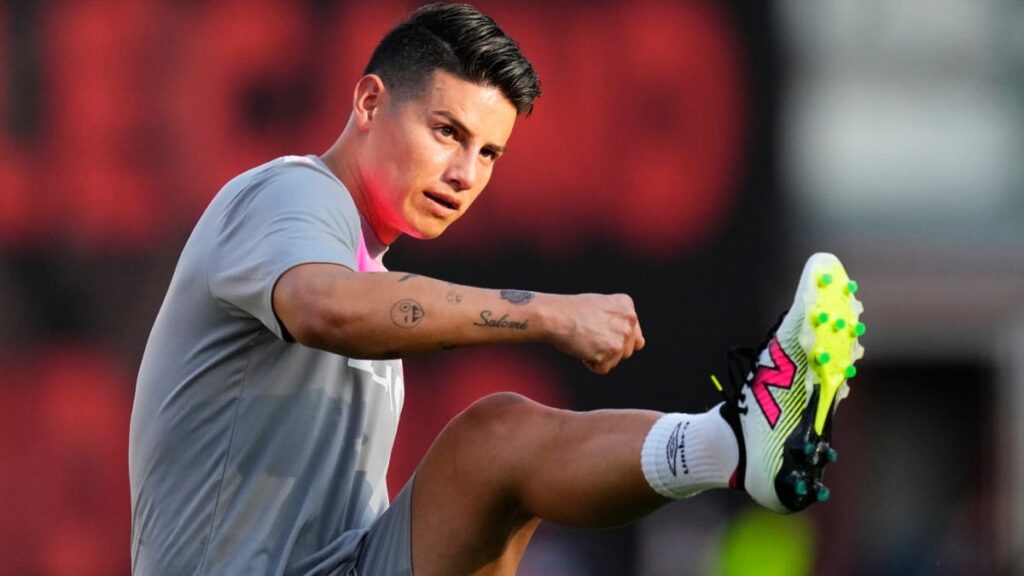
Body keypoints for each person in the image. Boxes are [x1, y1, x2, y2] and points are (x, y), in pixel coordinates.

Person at [128, 4, 866, 575]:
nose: (465, 173)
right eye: (447, 131)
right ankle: (730, 438)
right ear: (369, 102)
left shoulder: (368, 271)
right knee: (491, 440)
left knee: (498, 446)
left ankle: (733, 441)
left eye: (489, 153)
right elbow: (324, 307)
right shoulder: (288, 194)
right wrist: (545, 314)